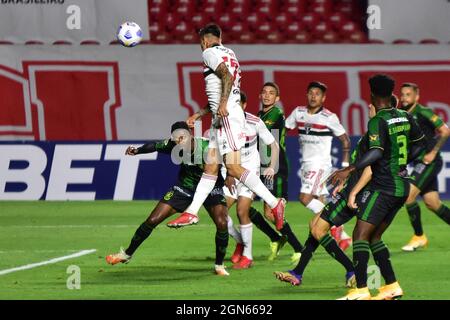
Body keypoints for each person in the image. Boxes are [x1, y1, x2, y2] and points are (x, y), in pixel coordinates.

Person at [167, 24, 285, 230]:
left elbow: (226, 77)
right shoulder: (230, 52)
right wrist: (199, 113)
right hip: (220, 116)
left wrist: (222, 104)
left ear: (204, 40)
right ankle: (191, 212)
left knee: (233, 167)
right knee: (211, 166)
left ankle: (275, 203)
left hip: (227, 116)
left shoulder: (209, 53)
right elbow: (219, 89)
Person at [330, 74, 425, 300]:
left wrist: (350, 169)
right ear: (392, 94)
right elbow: (421, 144)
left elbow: (375, 152)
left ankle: (361, 289)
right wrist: (401, 162)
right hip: (402, 186)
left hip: (384, 186)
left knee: (360, 234)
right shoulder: (405, 116)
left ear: (371, 95)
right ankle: (392, 286)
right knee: (374, 237)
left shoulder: (378, 120)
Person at [105, 122, 230, 276]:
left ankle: (219, 265)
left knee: (222, 223)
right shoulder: (173, 144)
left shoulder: (207, 147)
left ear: (190, 134)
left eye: (182, 137)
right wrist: (137, 151)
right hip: (185, 187)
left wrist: (230, 176)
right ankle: (127, 254)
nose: (179, 141)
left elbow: (225, 161)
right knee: (152, 220)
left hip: (211, 188)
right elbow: (154, 146)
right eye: (176, 138)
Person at [284, 81, 352, 249]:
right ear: (307, 95)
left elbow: (345, 140)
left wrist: (344, 165)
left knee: (304, 198)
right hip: (307, 164)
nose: (314, 96)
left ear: (323, 98)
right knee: (319, 202)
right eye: (311, 93)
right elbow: (283, 129)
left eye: (318, 94)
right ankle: (343, 238)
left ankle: (338, 226)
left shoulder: (329, 117)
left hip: (320, 165)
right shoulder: (298, 113)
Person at [223, 91, 280, 269]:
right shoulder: (224, 123)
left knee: (242, 212)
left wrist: (271, 166)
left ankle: (247, 256)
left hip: (249, 172)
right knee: (220, 213)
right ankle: (240, 242)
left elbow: (274, 145)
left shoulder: (255, 122)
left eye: (238, 104)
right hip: (230, 170)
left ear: (244, 105)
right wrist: (227, 174)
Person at [398, 83, 450, 251]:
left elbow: (445, 130)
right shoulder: (403, 115)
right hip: (419, 161)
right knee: (432, 203)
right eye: (402, 94)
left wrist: (434, 152)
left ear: (416, 97)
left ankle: (419, 236)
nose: (404, 97)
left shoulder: (423, 111)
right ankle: (420, 237)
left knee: (408, 196)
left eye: (408, 94)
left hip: (429, 161)